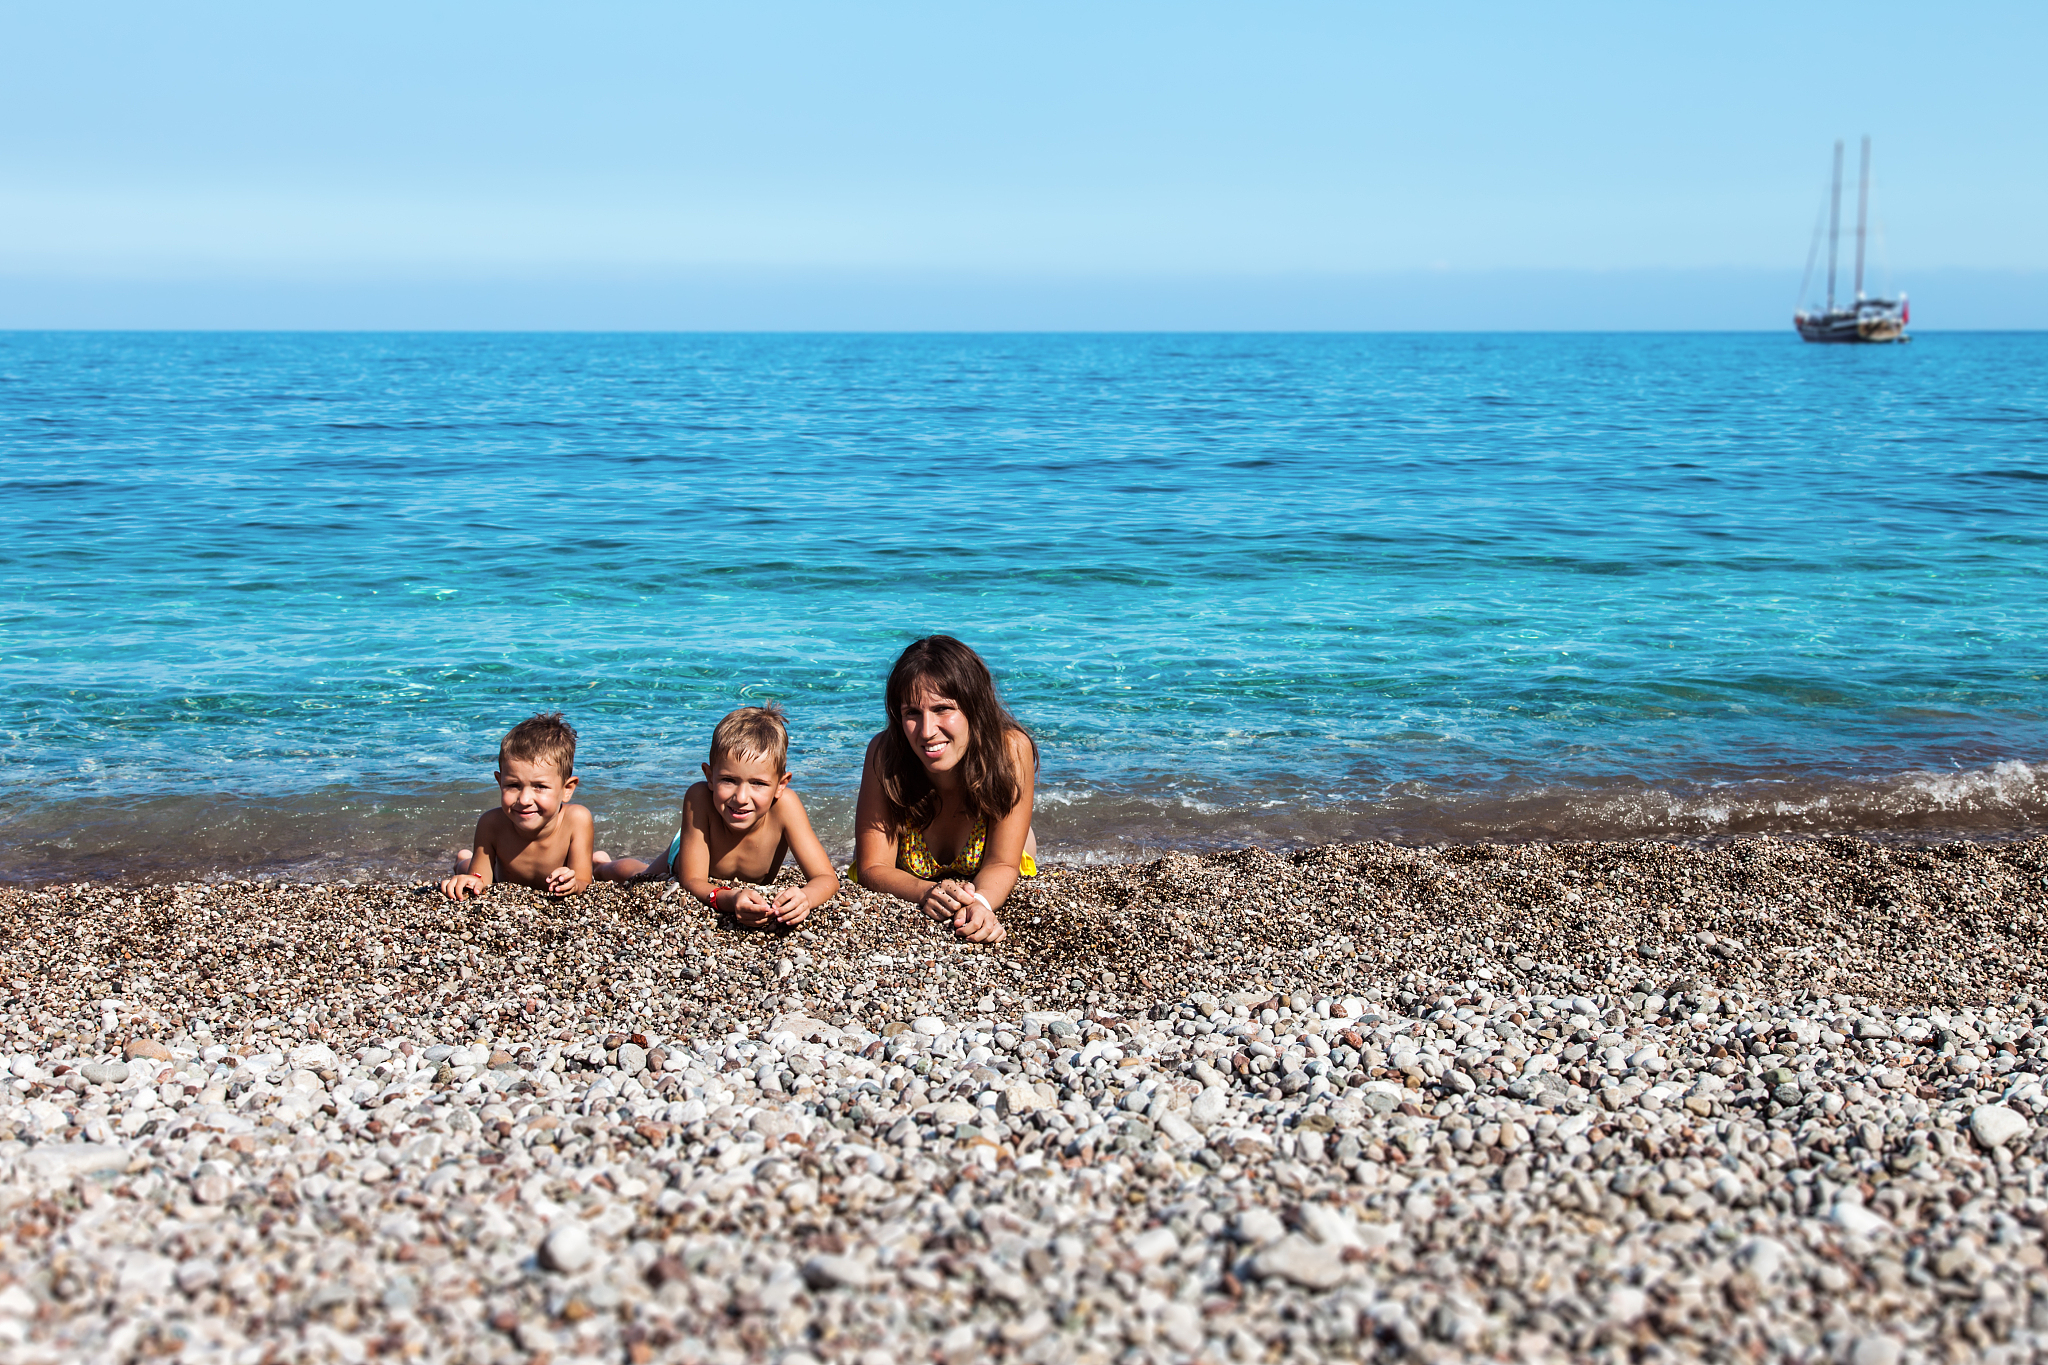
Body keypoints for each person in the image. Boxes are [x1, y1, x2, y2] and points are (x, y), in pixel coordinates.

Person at [853, 635, 1036, 944]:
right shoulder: (886, 754)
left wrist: (981, 904)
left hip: (998, 853)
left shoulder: (1011, 750)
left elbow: (1002, 863)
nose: (926, 732)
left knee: (1020, 845)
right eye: (912, 713)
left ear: (974, 708)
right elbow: (873, 866)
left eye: (943, 709)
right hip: (920, 874)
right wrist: (924, 891)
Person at [593, 705, 839, 929]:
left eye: (758, 783)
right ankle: (600, 864)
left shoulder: (785, 807)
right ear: (709, 776)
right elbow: (692, 880)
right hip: (691, 845)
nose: (741, 797)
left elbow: (826, 878)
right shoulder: (699, 798)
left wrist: (805, 898)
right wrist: (731, 899)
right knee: (639, 875)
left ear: (780, 784)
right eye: (728, 780)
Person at [440, 712, 594, 900]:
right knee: (467, 869)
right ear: (500, 782)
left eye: (540, 786)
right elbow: (480, 878)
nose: (524, 799)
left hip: (575, 874)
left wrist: (574, 884)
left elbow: (584, 881)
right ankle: (462, 860)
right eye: (513, 785)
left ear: (567, 789)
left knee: (606, 869)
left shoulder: (576, 819)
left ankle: (609, 862)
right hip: (501, 877)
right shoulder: (491, 824)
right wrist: (473, 881)